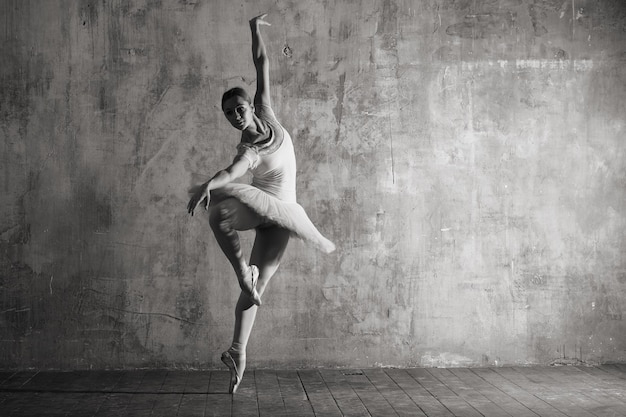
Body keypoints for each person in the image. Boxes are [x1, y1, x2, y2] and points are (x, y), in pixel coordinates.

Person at [187, 13, 335, 394]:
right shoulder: (249, 149)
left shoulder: (266, 111)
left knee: (258, 289)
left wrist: (254, 28)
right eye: (229, 115)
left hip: (283, 216)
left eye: (238, 109)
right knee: (219, 208)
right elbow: (233, 171)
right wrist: (209, 182)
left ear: (250, 107)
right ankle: (241, 269)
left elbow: (262, 63)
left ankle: (238, 350)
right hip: (261, 205)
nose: (236, 117)